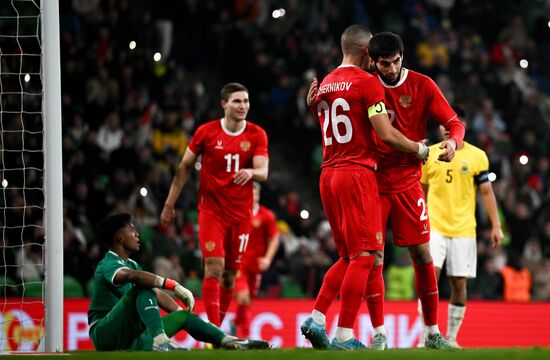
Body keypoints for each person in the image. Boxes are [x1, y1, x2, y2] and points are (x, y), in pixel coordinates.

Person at [305, 31, 465, 350]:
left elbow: (454, 122)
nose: (390, 69)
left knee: (421, 254)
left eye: (395, 62)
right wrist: (418, 150)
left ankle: (432, 332)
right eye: (384, 64)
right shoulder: (365, 84)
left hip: (406, 183)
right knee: (370, 258)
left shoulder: (422, 85)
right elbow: (372, 131)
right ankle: (378, 333)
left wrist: (452, 142)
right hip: (371, 182)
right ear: (372, 60)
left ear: (403, 57)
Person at [160, 83, 269, 327]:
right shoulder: (206, 133)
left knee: (229, 276)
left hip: (241, 215)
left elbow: (264, 171)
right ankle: (214, 331)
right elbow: (184, 167)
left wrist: (251, 171)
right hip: (212, 212)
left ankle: (217, 330)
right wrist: (169, 204)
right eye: (237, 101)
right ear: (224, 104)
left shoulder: (256, 134)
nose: (243, 106)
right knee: (214, 267)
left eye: (246, 101)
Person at [87, 213, 270, 351]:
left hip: (131, 337)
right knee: (143, 286)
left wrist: (185, 315)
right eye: (131, 229)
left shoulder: (132, 263)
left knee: (184, 316)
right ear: (119, 237)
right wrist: (173, 285)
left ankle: (228, 340)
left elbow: (155, 293)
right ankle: (160, 341)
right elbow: (132, 277)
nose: (137, 234)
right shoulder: (108, 263)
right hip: (104, 334)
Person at [420, 107, 503, 348]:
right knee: (429, 280)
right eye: (443, 124)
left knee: (459, 284)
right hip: (434, 226)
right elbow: (421, 192)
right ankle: (428, 336)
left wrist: (496, 225)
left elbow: (486, 192)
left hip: (465, 230)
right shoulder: (429, 153)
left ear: (462, 127)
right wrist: (419, 223)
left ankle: (452, 337)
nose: (446, 128)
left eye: (452, 124)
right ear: (439, 127)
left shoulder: (478, 157)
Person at [232, 182, 280, 338]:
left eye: (256, 193)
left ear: (259, 196)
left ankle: (237, 321)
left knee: (248, 301)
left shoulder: (266, 216)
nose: (253, 196)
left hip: (256, 265)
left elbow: (274, 238)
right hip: (238, 263)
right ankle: (244, 337)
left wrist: (267, 258)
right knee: (243, 297)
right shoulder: (237, 213)